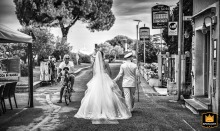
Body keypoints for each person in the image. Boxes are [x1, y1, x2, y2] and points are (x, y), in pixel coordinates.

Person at [74, 51, 131, 120]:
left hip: (97, 78)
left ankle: (95, 110)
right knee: (108, 94)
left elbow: (93, 72)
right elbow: (110, 72)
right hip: (104, 77)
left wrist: (94, 79)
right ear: (103, 55)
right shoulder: (105, 63)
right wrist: (110, 80)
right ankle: (110, 110)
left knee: (95, 95)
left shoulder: (95, 63)